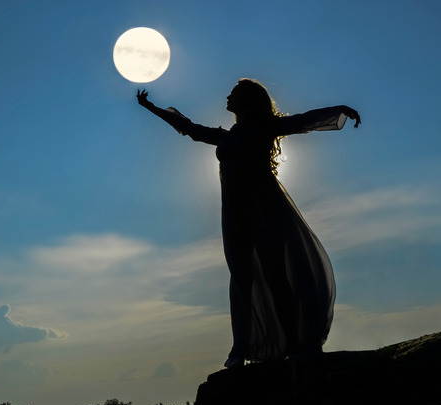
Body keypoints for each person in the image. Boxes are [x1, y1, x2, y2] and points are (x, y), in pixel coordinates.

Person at [136, 78, 360, 368]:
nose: (228, 97)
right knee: (240, 278)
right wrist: (150, 107)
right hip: (234, 213)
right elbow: (189, 128)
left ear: (249, 100)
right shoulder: (225, 137)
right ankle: (239, 348)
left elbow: (303, 121)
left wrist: (340, 110)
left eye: (234, 93)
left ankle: (294, 343)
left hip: (266, 208)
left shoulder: (266, 127)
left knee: (275, 276)